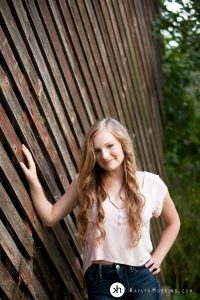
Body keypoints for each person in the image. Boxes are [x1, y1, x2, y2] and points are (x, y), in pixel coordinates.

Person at [20, 118, 180, 300]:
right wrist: (33, 180)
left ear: (123, 144)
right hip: (102, 280)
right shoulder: (84, 184)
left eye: (110, 145)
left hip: (142, 278)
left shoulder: (152, 183)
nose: (104, 155)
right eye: (97, 150)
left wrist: (158, 257)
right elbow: (49, 217)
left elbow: (173, 223)